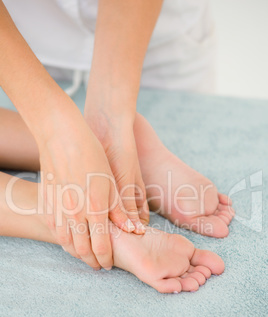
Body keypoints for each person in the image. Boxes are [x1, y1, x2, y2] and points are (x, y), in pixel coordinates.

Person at [0, 0, 234, 292]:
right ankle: (87, 215)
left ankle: (86, 204)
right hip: (17, 46)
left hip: (144, 35)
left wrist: (110, 114)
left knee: (92, 127)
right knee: (63, 136)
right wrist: (55, 130)